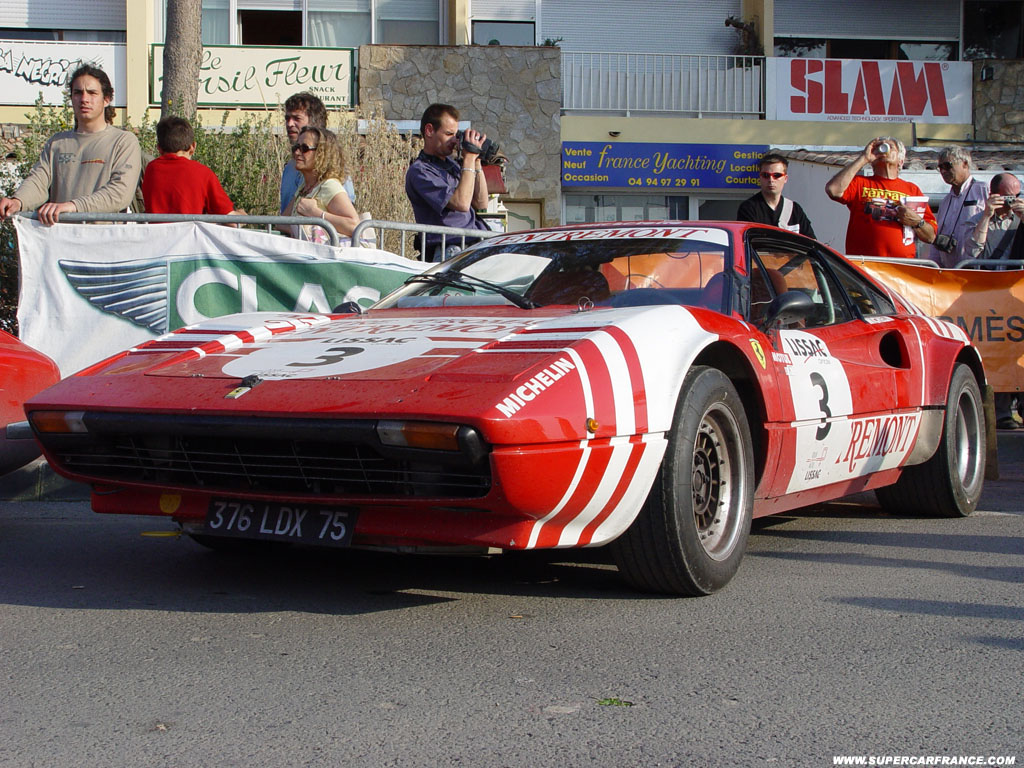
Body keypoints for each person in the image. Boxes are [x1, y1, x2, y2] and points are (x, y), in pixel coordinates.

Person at [0, 64, 141, 226]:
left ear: (107, 99)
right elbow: (38, 181)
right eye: (78, 92)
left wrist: (73, 207)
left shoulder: (123, 141)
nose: (84, 99)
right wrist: (18, 201)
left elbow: (120, 193)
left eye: (92, 93)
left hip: (103, 238)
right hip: (61, 238)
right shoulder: (57, 143)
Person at [962, 173, 1024, 429]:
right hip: (988, 296)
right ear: (993, 195)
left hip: (1017, 295)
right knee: (996, 353)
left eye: (1016, 196)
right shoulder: (978, 218)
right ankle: (1001, 413)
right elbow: (971, 252)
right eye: (1006, 197)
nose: (1011, 202)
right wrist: (987, 215)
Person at [825, 136, 937, 258]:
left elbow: (930, 236)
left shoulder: (912, 189)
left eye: (890, 147)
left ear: (900, 161)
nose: (883, 149)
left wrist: (916, 221)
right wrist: (864, 158)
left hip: (902, 264)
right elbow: (833, 190)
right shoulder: (860, 183)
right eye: (878, 147)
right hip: (865, 263)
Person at [405, 103, 490, 262]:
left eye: (456, 135)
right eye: (449, 134)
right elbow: (462, 203)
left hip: (473, 246)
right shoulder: (420, 171)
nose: (454, 140)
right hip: (450, 250)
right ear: (429, 131)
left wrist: (476, 161)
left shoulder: (453, 165)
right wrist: (469, 159)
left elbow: (481, 203)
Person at [142, 116, 241, 217]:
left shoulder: (151, 169)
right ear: (193, 147)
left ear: (159, 148)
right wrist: (242, 215)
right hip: (191, 228)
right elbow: (230, 219)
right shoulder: (202, 173)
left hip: (157, 228)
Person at [279, 92, 354, 217]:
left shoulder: (332, 174)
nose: (289, 124)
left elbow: (350, 221)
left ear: (314, 124)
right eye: (287, 118)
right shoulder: (291, 168)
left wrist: (317, 214)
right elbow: (285, 221)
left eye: (297, 118)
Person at [283, 126, 360, 244]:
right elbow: (282, 221)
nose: (297, 153)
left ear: (322, 154)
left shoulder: (329, 185)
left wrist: (315, 213)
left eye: (304, 148)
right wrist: (296, 231)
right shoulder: (304, 187)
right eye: (296, 147)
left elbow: (354, 226)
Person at [924, 146, 988, 267]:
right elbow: (937, 238)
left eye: (947, 166)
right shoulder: (945, 202)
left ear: (965, 164)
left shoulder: (983, 190)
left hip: (978, 268)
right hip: (950, 270)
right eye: (940, 167)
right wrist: (933, 266)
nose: (943, 171)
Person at [737, 152, 816, 238]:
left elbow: (811, 241)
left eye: (777, 175)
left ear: (785, 178)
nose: (771, 180)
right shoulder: (749, 208)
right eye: (766, 175)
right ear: (759, 178)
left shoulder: (795, 210)